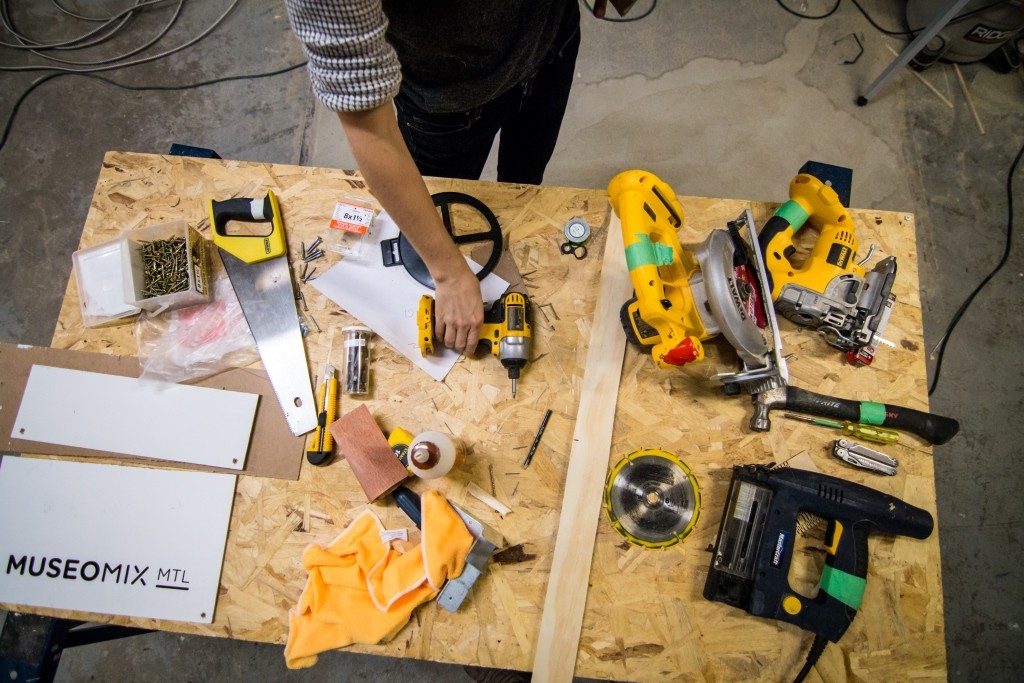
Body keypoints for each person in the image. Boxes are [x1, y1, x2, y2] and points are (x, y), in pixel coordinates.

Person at [283, 1, 609, 355]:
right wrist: (448, 273)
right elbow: (367, 124)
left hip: (551, 43)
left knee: (524, 187)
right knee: (439, 207)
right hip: (447, 102)